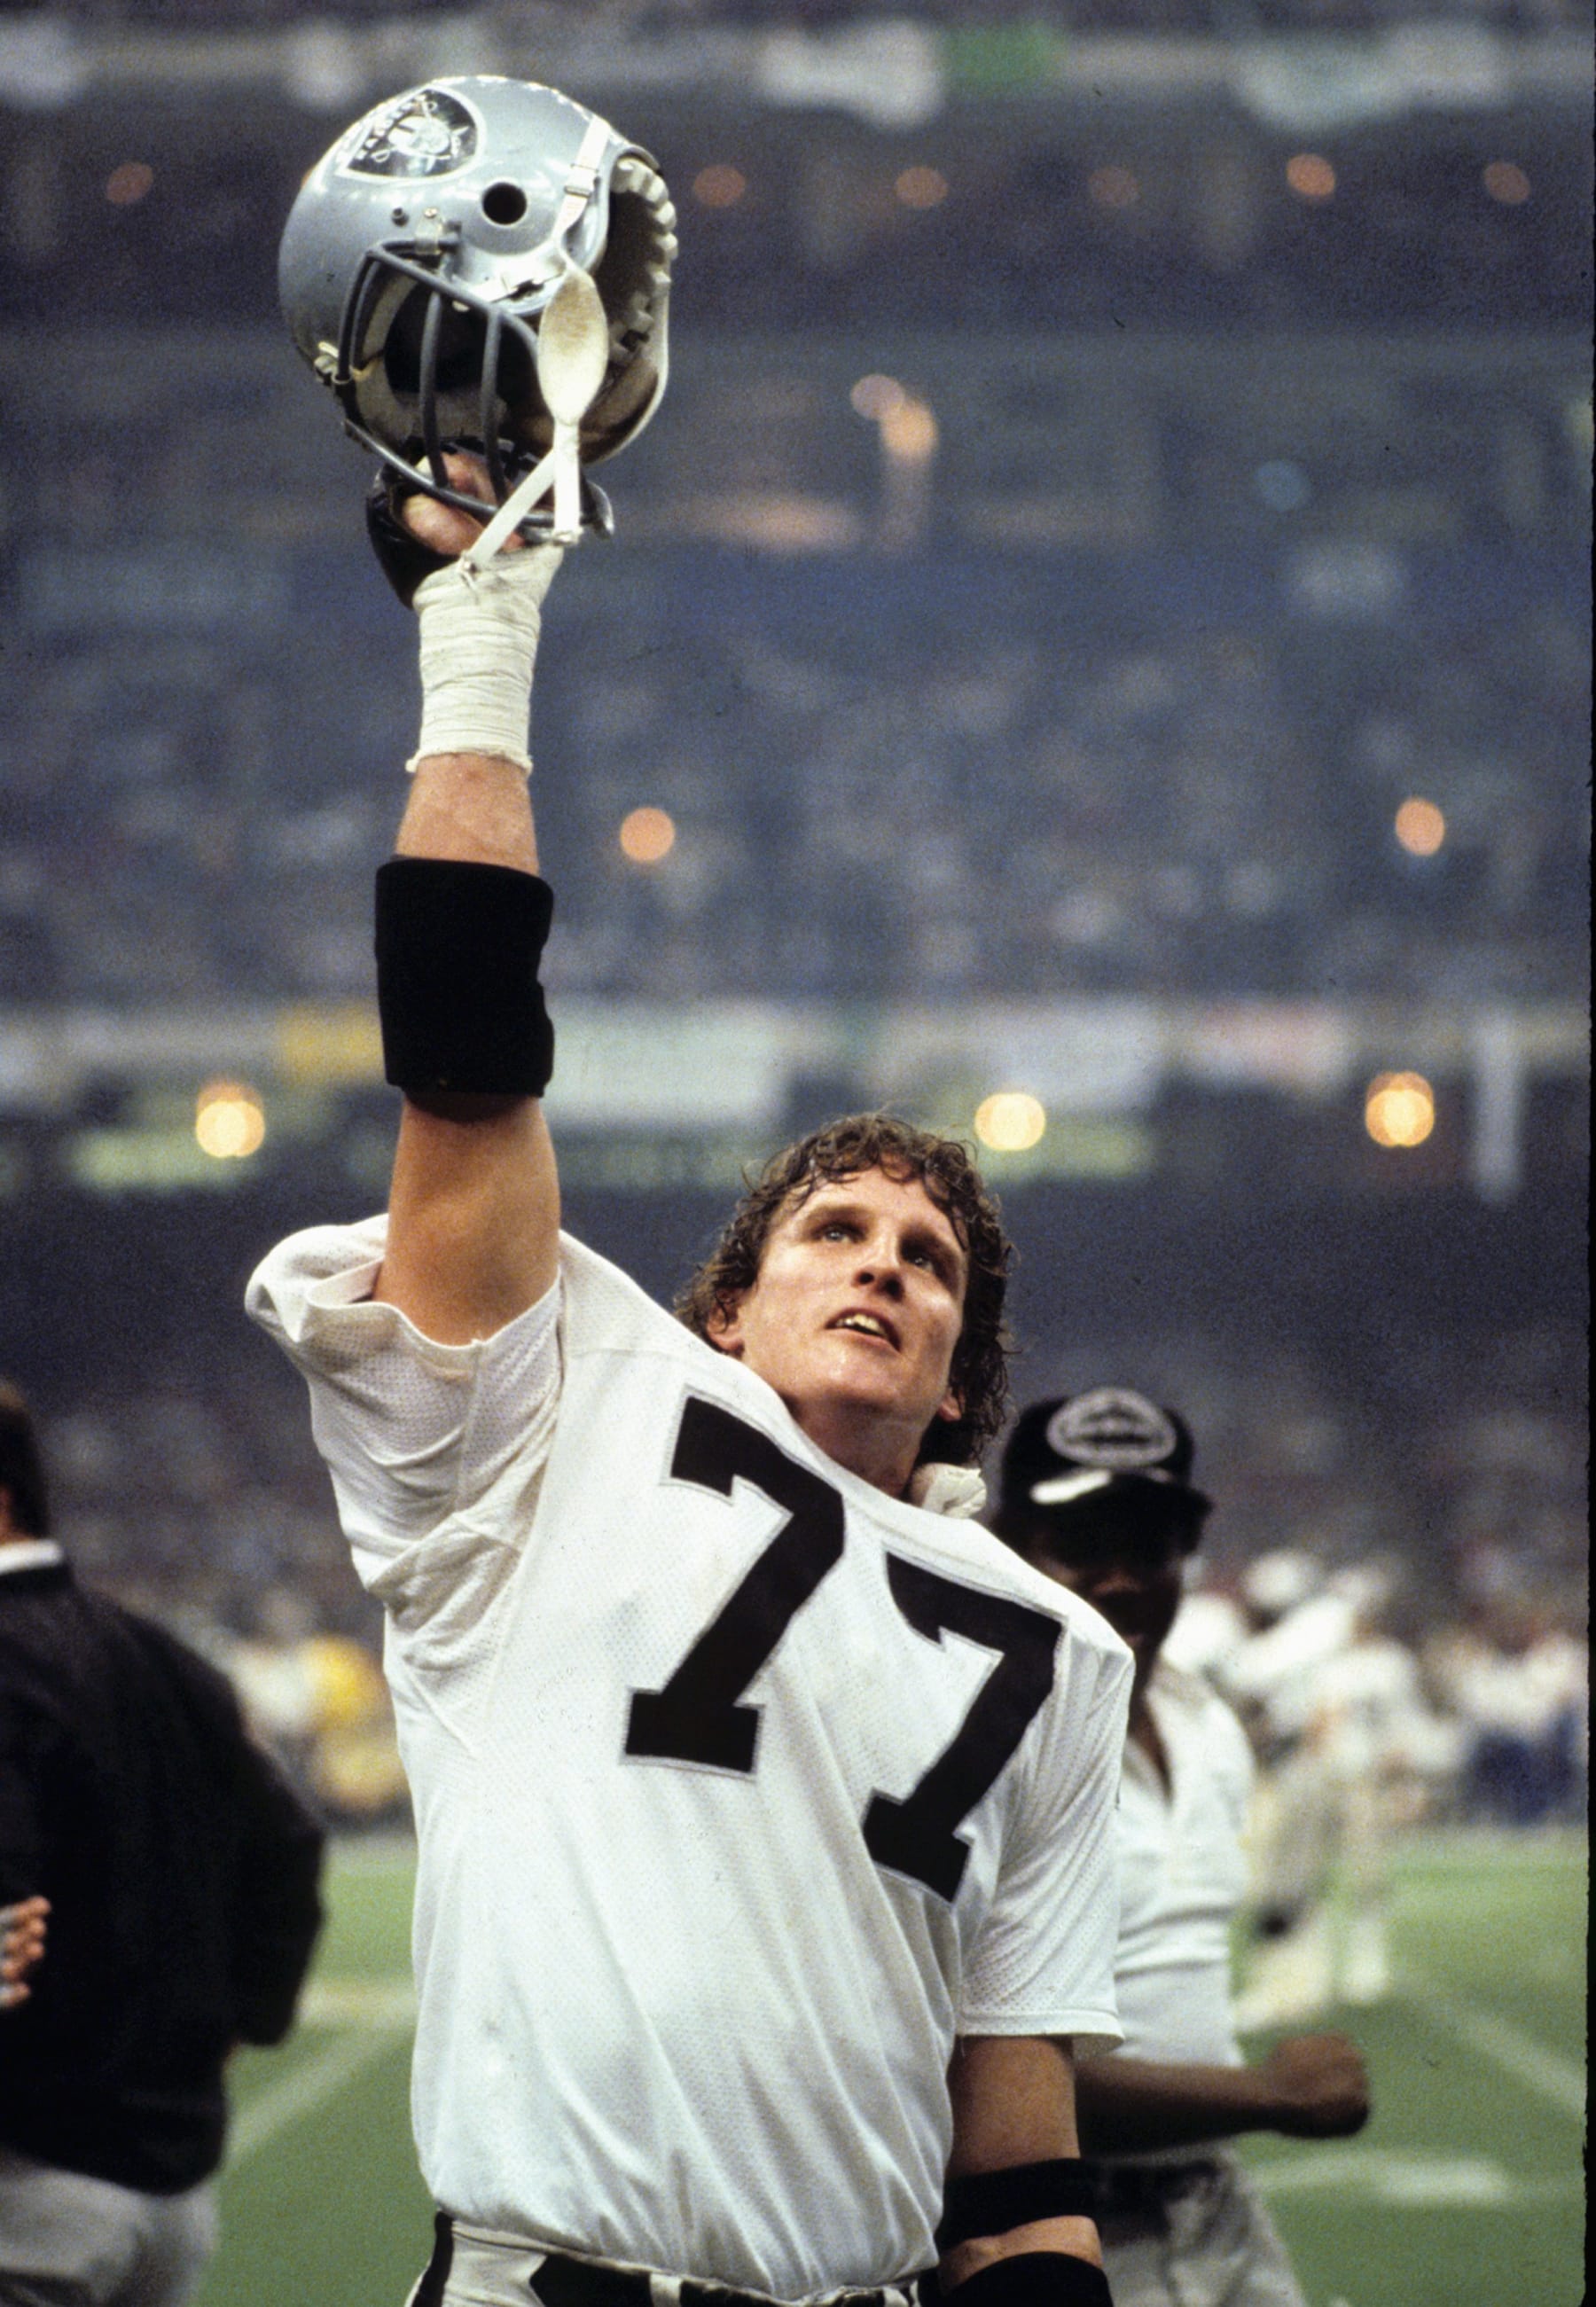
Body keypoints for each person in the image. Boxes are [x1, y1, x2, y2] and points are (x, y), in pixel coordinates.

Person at [246, 453, 1134, 2307]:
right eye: (835, 1230)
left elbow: (1020, 2122)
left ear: (967, 1376)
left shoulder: (1056, 1650)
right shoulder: (558, 1424)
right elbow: (469, 1058)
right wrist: (478, 645)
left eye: (932, 1259)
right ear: (721, 1308)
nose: (885, 1257)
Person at [991, 1390, 1369, 2307]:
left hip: (1217, 2213)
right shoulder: (985, 1741)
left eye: (1151, 1546)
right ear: (1004, 1543)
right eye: (1082, 1545)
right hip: (1060, 2235)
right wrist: (1270, 2096)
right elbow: (986, 2084)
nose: (1122, 1578)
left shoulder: (1204, 1722)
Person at [0, 1380, 326, 2307]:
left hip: (27, 2185)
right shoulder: (169, 1659)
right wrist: (241, 2019)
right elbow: (290, 1845)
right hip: (168, 2195)